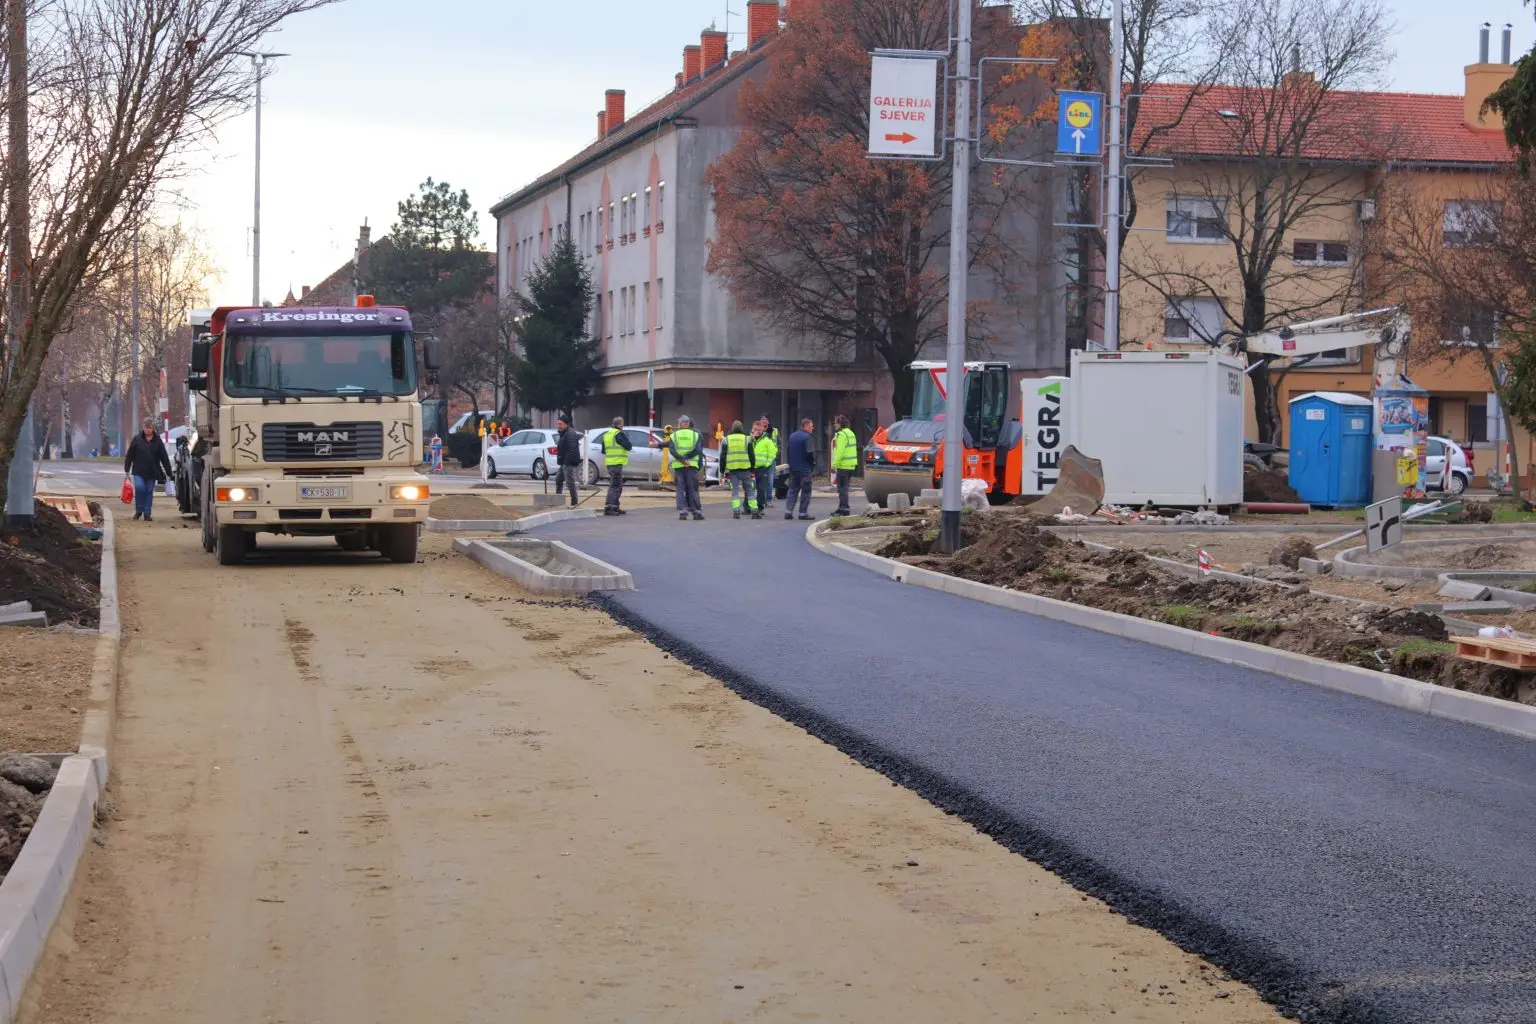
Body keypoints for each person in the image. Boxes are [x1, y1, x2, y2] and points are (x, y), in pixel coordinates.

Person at [124, 417, 172, 522]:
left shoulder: (157, 441)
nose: (148, 430)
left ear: (153, 428)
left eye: (150, 427)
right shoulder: (137, 439)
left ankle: (147, 513)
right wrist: (127, 469)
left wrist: (169, 472)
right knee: (140, 488)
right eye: (146, 427)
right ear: (143, 427)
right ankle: (139, 510)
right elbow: (130, 455)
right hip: (138, 471)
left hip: (152, 471)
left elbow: (164, 457)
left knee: (149, 491)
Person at [669, 414, 705, 520]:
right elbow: (698, 450)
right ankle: (696, 512)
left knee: (680, 488)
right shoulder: (695, 435)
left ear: (682, 423)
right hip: (691, 464)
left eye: (679, 422)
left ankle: (683, 512)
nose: (678, 424)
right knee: (692, 488)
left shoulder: (674, 435)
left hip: (679, 465)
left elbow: (672, 450)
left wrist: (682, 459)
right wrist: (687, 459)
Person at [721, 420, 758, 519]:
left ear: (732, 428)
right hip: (745, 469)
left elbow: (723, 456)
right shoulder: (747, 439)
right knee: (750, 490)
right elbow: (751, 455)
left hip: (733, 470)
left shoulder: (726, 439)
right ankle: (754, 510)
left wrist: (722, 470)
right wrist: (752, 468)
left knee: (735, 491)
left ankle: (736, 511)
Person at [784, 417, 817, 520]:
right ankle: (803, 513)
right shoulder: (807, 437)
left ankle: (788, 511)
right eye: (811, 426)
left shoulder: (792, 436)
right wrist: (812, 464)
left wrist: (791, 464)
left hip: (794, 469)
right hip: (805, 468)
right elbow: (809, 453)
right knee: (806, 491)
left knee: (792, 490)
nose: (812, 428)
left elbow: (788, 451)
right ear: (806, 426)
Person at [600, 416, 633, 515]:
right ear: (620, 425)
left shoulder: (607, 434)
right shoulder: (619, 434)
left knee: (616, 485)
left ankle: (614, 506)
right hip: (617, 463)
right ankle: (609, 507)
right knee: (615, 486)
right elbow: (628, 446)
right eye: (622, 424)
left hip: (610, 463)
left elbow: (603, 450)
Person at [831, 414, 859, 516]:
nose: (834, 424)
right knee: (845, 487)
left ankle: (844, 509)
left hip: (843, 465)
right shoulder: (851, 433)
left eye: (836, 422)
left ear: (840, 424)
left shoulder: (842, 435)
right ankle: (842, 507)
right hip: (850, 465)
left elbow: (840, 451)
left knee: (842, 488)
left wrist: (834, 465)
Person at [553, 416, 583, 507]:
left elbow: (572, 449)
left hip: (568, 463)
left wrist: (566, 462)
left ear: (566, 424)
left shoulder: (570, 434)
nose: (558, 426)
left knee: (570, 482)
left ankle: (574, 502)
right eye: (558, 424)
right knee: (558, 479)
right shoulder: (564, 433)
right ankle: (558, 500)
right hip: (564, 463)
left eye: (560, 424)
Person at [752, 420, 778, 516]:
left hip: (762, 467)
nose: (757, 431)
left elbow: (772, 453)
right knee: (749, 488)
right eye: (755, 429)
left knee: (761, 488)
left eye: (759, 429)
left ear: (763, 429)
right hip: (750, 467)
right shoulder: (749, 439)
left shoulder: (767, 440)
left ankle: (760, 507)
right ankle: (747, 507)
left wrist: (767, 464)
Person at [756, 415, 781, 508]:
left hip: (771, 459)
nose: (764, 421)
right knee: (759, 481)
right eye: (762, 419)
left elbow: (779, 444)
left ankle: (769, 500)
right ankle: (760, 500)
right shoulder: (757, 430)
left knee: (770, 481)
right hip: (760, 460)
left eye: (765, 419)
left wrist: (776, 455)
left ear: (768, 421)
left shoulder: (774, 431)